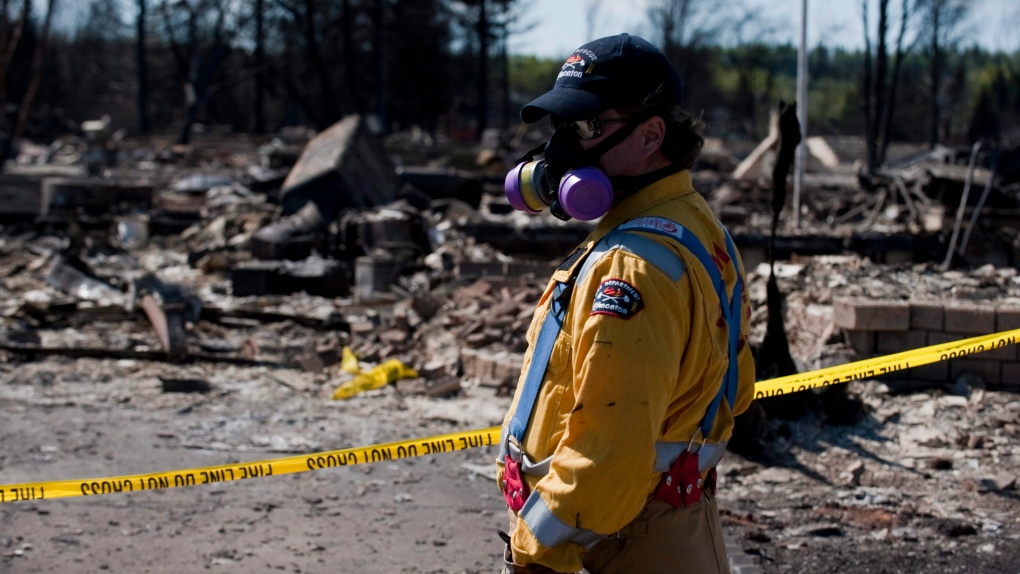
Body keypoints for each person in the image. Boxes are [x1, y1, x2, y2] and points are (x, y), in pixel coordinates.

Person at [495, 33, 755, 574]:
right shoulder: (697, 227)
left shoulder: (631, 265)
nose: (562, 147)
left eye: (587, 127)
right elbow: (739, 388)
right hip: (665, 526)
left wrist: (536, 551)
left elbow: (608, 451)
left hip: (612, 542)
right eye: (560, 127)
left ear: (651, 135)